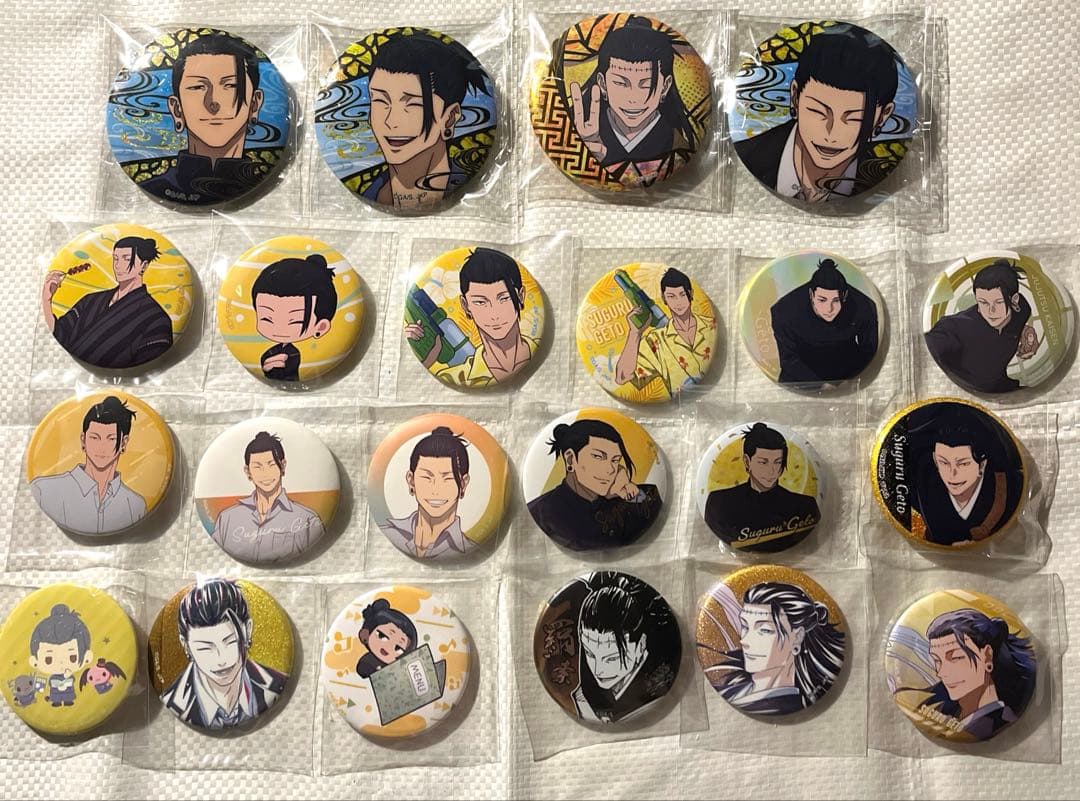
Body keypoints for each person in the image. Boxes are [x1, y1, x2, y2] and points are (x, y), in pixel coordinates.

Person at [734, 24, 900, 202]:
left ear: (882, 116)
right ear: (795, 97)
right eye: (818, 111)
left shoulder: (883, 166)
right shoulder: (751, 154)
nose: (832, 133)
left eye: (855, 118)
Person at [363, 33, 492, 210]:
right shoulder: (370, 192)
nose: (391, 121)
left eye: (413, 104)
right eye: (380, 100)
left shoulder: (473, 191)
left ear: (449, 118)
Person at [142, 33, 268, 205]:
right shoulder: (156, 186)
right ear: (177, 109)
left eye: (231, 86)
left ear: (255, 104)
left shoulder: (264, 189)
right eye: (198, 87)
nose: (214, 102)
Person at [569, 16, 699, 172]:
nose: (633, 98)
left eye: (646, 85)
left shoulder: (677, 147)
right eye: (620, 83)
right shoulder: (581, 132)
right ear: (603, 84)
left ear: (665, 87)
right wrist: (581, 150)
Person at [161, 579, 288, 729]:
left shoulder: (275, 684)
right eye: (204, 648)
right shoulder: (173, 701)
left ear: (247, 631)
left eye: (231, 641)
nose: (221, 660)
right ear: (186, 645)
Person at [405, 248, 538, 386]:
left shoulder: (541, 350)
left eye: (504, 298)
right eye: (480, 302)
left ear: (520, 296)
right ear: (466, 305)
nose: (494, 314)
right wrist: (425, 355)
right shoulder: (455, 376)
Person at [526, 419, 662, 550]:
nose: (611, 469)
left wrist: (630, 494)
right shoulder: (544, 512)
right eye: (598, 457)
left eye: (615, 460)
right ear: (570, 459)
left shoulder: (620, 493)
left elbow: (652, 506)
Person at [711, 582, 845, 715]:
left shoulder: (788, 703)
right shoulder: (731, 690)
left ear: (797, 637)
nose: (744, 641)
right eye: (745, 626)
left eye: (764, 630)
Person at [41, 236, 173, 369]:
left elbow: (147, 365)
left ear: (143, 265)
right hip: (66, 367)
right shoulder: (91, 300)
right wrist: (47, 300)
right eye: (116, 258)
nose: (118, 265)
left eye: (126, 259)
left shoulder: (156, 318)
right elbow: (59, 334)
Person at [904, 608, 1035, 739]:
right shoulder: (949, 716)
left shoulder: (998, 721)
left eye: (955, 658)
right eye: (937, 660)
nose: (941, 672)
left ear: (987, 656)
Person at [571, 573, 680, 723]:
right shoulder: (584, 695)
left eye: (612, 658)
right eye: (590, 654)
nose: (598, 670)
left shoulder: (659, 681)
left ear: (641, 645)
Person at [30, 396, 146, 534]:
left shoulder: (135, 505)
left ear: (124, 443)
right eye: (95, 437)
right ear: (83, 440)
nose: (101, 448)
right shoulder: (43, 490)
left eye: (111, 439)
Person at [925, 259, 1039, 393]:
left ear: (1014, 300)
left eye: (999, 302)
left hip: (1006, 389)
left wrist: (1026, 330)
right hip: (960, 392)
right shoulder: (957, 328)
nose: (991, 311)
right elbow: (933, 343)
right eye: (983, 302)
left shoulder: (1022, 309)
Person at [211, 431, 324, 563]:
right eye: (257, 467)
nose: (265, 474)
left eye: (271, 465)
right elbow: (215, 559)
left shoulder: (308, 520)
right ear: (248, 472)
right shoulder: (226, 519)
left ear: (283, 466)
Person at [703, 423, 820, 550]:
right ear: (747, 461)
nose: (772, 471)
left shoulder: (805, 506)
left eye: (777, 462)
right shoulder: (719, 503)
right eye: (763, 462)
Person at [769, 258, 879, 386]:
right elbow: (788, 359)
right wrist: (819, 385)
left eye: (836, 301)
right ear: (811, 295)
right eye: (822, 300)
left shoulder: (864, 307)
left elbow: (869, 350)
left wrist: (849, 380)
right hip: (801, 373)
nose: (829, 309)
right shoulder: (784, 312)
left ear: (844, 296)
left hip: (847, 369)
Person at [614, 267, 714, 398]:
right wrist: (635, 333)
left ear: (690, 294)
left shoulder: (711, 325)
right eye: (671, 296)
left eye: (682, 295)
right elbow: (622, 377)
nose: (678, 302)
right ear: (664, 298)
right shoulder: (655, 341)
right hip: (683, 405)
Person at [914, 424, 1016, 546]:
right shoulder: (921, 489)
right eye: (944, 462)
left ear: (982, 465)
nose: (952, 474)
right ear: (935, 460)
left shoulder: (1012, 492)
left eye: (963, 464)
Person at [380, 426, 473, 558]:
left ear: (463, 484)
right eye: (426, 477)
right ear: (411, 481)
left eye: (448, 478)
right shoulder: (385, 535)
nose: (436, 490)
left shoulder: (471, 553)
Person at [250, 254, 338, 382]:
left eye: (294, 321)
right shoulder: (272, 351)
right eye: (267, 319)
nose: (278, 328)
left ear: (321, 327)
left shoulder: (302, 354)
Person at [28, 604, 94, 708]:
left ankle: (68, 701)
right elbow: (51, 683)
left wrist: (68, 675)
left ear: (87, 657)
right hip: (55, 693)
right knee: (56, 697)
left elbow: (72, 680)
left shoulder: (69, 675)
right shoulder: (53, 677)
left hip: (68, 691)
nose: (61, 663)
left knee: (68, 696)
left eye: (72, 658)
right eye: (48, 659)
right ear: (34, 661)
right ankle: (56, 701)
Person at [354, 599, 419, 679]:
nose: (388, 647)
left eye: (398, 648)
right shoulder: (368, 662)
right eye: (382, 636)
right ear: (367, 633)